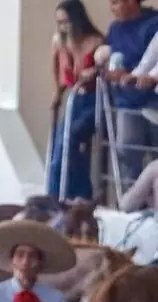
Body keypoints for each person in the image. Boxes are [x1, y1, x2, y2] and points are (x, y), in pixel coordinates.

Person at [47, 1, 104, 201]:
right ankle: (55, 195)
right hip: (74, 101)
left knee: (70, 141)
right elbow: (60, 73)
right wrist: (57, 95)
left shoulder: (96, 41)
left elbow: (103, 71)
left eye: (67, 22)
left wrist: (94, 71)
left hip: (92, 101)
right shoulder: (60, 43)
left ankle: (80, 193)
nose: (63, 27)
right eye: (59, 23)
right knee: (59, 149)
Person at [100, 0, 158, 187]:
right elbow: (109, 62)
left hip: (153, 102)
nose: (112, 8)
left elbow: (150, 64)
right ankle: (129, 208)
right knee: (127, 157)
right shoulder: (115, 29)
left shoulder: (153, 24)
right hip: (126, 103)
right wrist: (109, 74)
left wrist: (130, 76)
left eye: (116, 2)